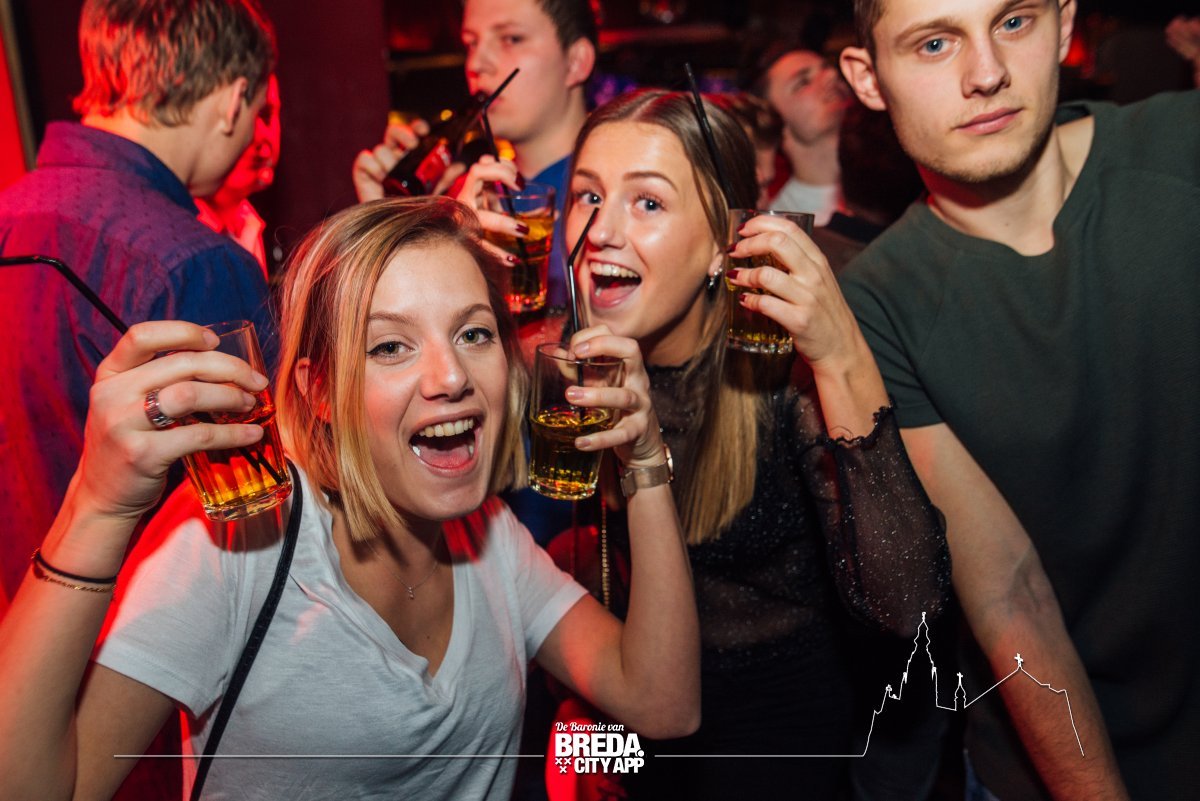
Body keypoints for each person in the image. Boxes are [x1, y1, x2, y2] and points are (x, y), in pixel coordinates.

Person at [0, 196, 700, 800]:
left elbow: (661, 702)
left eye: (473, 333)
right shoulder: (237, 543)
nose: (451, 375)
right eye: (391, 347)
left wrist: (644, 464)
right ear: (319, 390)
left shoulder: (489, 538)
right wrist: (96, 506)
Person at [838, 0, 1200, 798]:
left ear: (1064, 26)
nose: (987, 73)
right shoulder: (876, 300)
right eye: (935, 43)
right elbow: (1009, 592)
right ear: (868, 78)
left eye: (1013, 22)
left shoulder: (1183, 148)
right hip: (1053, 767)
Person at [558, 88, 951, 799]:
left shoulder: (779, 379)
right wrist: (586, 727)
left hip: (777, 749)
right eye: (588, 197)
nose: (601, 231)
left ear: (722, 244)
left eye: (647, 202)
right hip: (641, 731)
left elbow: (909, 607)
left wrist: (840, 358)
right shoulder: (566, 363)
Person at [0, 0, 278, 606]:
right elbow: (268, 515)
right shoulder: (196, 261)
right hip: (152, 625)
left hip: (26, 623)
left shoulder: (10, 213)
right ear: (234, 100)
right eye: (259, 111)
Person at [352, 0, 598, 311]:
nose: (476, 64)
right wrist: (391, 224)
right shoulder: (463, 199)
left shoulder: (617, 195)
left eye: (511, 39)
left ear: (576, 62)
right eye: (471, 43)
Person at [752, 46, 854, 225]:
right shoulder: (779, 224)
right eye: (803, 82)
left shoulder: (888, 188)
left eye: (827, 68)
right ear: (775, 122)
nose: (832, 75)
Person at [196, 73, 282, 277]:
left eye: (267, 115)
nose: (262, 136)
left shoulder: (247, 223)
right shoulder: (186, 234)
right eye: (239, 115)